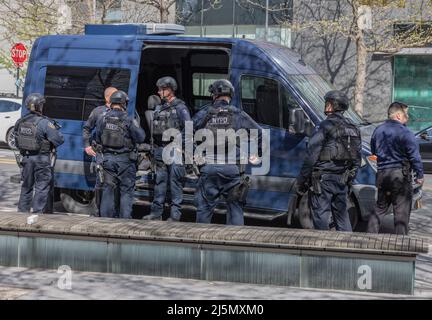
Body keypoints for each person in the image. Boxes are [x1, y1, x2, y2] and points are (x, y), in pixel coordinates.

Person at [193, 79, 263, 226]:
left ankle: (199, 244)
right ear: (230, 95)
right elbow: (261, 134)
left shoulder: (204, 113)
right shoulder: (237, 114)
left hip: (209, 168)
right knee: (235, 210)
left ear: (214, 95)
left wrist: (195, 155)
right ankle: (235, 245)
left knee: (204, 211)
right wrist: (258, 154)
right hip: (232, 171)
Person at [295, 90, 361, 232]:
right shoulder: (353, 127)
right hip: (342, 179)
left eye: (327, 103)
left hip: (323, 180)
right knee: (342, 217)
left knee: (320, 216)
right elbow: (357, 158)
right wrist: (350, 178)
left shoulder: (324, 126)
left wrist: (301, 180)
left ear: (332, 105)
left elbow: (311, 155)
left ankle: (323, 249)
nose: (326, 105)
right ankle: (347, 247)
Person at [367, 102, 424, 235]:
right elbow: (415, 157)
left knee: (379, 209)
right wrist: (420, 175)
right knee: (401, 214)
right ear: (398, 115)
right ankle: (401, 245)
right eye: (406, 114)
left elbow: (373, 151)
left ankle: (368, 239)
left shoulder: (377, 130)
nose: (407, 117)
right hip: (400, 177)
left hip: (382, 175)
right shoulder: (406, 133)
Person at [143, 76, 191, 221]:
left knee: (175, 184)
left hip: (174, 150)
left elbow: (188, 129)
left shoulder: (180, 108)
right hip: (160, 150)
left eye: (161, 89)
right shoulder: (158, 108)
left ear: (169, 90)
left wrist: (181, 147)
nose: (158, 92)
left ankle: (175, 216)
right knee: (160, 182)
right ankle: (156, 213)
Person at [95, 90, 146, 219]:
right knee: (126, 192)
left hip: (107, 160)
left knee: (107, 190)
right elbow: (141, 137)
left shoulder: (102, 118)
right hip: (125, 162)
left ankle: (105, 220)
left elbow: (97, 137)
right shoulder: (128, 119)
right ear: (124, 103)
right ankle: (124, 222)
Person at [14, 93, 64, 213]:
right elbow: (59, 140)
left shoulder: (20, 122)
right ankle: (37, 215)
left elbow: (16, 142)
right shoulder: (45, 123)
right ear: (39, 106)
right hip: (41, 160)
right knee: (41, 187)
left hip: (26, 159)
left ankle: (22, 214)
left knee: (26, 187)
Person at [82, 87, 117, 216]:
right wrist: (87, 146)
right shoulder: (98, 112)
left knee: (114, 185)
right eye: (115, 94)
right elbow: (86, 128)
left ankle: (112, 212)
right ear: (107, 98)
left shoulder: (120, 111)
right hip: (102, 153)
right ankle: (97, 212)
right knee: (100, 183)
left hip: (117, 154)